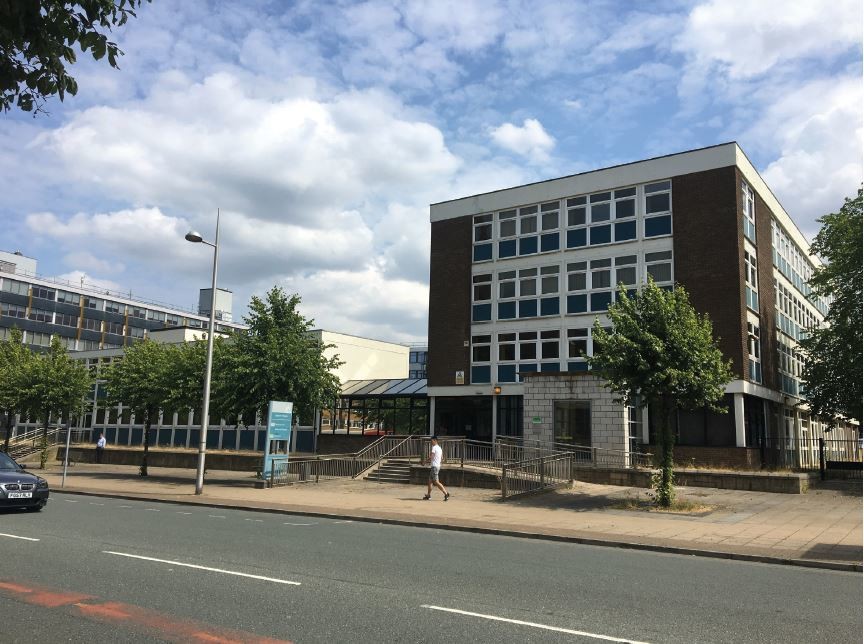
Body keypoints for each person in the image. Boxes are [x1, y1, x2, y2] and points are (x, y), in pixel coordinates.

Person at [423, 435, 450, 501]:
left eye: (432, 441)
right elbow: (442, 458)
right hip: (437, 466)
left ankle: (446, 493)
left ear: (435, 440)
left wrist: (425, 462)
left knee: (436, 482)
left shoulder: (434, 448)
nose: (431, 442)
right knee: (430, 482)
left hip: (434, 467)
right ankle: (428, 495)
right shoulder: (439, 448)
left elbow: (431, 456)